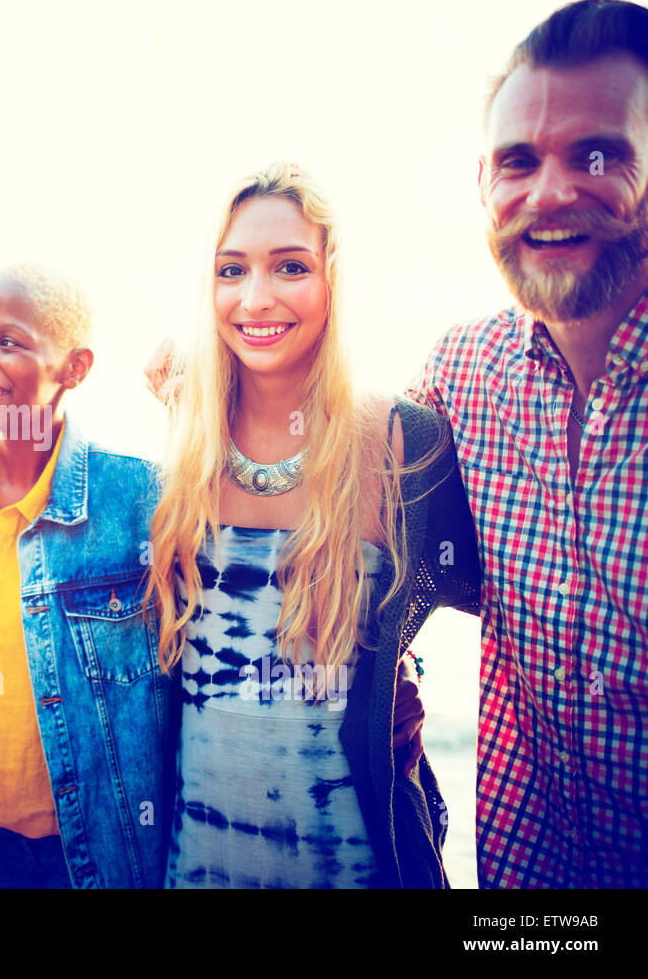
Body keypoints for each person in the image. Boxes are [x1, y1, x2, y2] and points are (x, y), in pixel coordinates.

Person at [147, 163, 479, 888]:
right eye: (230, 269)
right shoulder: (181, 442)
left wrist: (397, 675)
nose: (255, 297)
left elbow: (497, 594)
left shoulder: (405, 441)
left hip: (361, 864)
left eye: (290, 267)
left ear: (336, 280)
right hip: (196, 863)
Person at [408, 0, 648, 888]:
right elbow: (357, 508)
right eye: (518, 163)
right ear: (483, 185)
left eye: (600, 155)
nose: (550, 194)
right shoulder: (462, 372)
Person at [0, 264, 173, 888]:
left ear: (75, 369)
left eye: (9, 341)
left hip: (102, 847)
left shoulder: (138, 494)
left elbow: (218, 631)